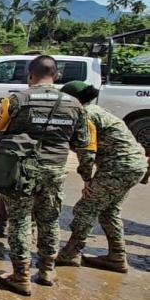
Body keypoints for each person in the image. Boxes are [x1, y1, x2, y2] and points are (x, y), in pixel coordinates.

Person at [0, 55, 91, 296]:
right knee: (49, 219)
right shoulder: (74, 105)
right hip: (54, 170)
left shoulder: (16, 99)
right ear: (56, 76)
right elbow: (84, 142)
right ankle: (46, 270)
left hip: (21, 170)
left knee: (21, 220)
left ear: (29, 74)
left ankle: (21, 275)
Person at [56, 81, 147, 272]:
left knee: (85, 208)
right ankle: (117, 256)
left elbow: (87, 150)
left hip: (119, 167)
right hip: (133, 165)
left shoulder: (85, 115)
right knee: (109, 211)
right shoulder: (95, 110)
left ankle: (71, 254)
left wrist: (87, 178)